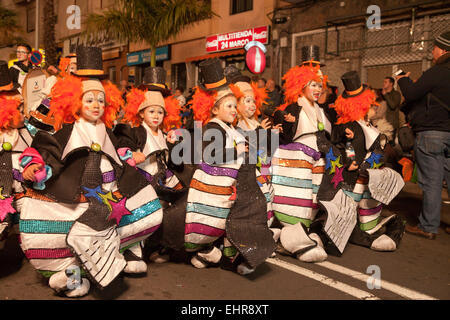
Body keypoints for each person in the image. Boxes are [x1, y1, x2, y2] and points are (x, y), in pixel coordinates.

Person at [19, 46, 163, 297]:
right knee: (66, 242)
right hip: (74, 201)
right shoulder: (66, 132)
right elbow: (44, 149)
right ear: (77, 103)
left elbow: (121, 151)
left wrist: (128, 156)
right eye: (89, 100)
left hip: (107, 203)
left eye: (100, 100)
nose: (95, 105)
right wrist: (34, 166)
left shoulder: (108, 132)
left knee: (135, 219)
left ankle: (106, 262)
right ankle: (70, 278)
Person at [184, 58, 275, 275]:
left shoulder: (228, 127)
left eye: (236, 105)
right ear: (214, 110)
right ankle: (224, 255)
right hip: (220, 186)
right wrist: (237, 151)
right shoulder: (211, 128)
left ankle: (226, 254)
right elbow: (209, 155)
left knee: (249, 212)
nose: (235, 110)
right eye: (230, 106)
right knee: (242, 216)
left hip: (239, 182)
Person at [315, 71, 405, 254]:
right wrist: (352, 160)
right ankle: (342, 231)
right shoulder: (345, 126)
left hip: (365, 177)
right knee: (346, 211)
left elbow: (378, 150)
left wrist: (367, 165)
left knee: (366, 212)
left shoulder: (367, 125)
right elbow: (345, 146)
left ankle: (362, 230)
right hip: (349, 177)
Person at [114, 66, 187, 262]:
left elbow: (176, 163)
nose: (156, 116)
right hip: (142, 183)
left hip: (164, 182)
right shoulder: (135, 132)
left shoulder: (165, 135)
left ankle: (164, 245)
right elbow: (122, 151)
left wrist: (175, 145)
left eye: (160, 112)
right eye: (151, 111)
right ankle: (137, 247)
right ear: (141, 114)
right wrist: (132, 154)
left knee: (186, 200)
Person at [270, 57, 332, 263]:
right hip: (296, 165)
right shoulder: (291, 109)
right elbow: (284, 136)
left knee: (314, 200)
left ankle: (302, 232)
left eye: (320, 85)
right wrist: (288, 123)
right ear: (302, 86)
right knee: (299, 199)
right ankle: (292, 235)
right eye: (313, 85)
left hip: (317, 163)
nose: (318, 89)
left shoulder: (321, 111)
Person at [397, 30, 450, 240]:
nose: (432, 51)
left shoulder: (436, 72)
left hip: (432, 135)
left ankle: (428, 226)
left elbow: (411, 94)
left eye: (435, 47)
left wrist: (402, 80)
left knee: (432, 183)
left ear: (444, 49)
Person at [0, 60, 33, 250]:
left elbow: (34, 150)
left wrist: (34, 165)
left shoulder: (24, 133)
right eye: (19, 111)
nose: (24, 114)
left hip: (23, 190)